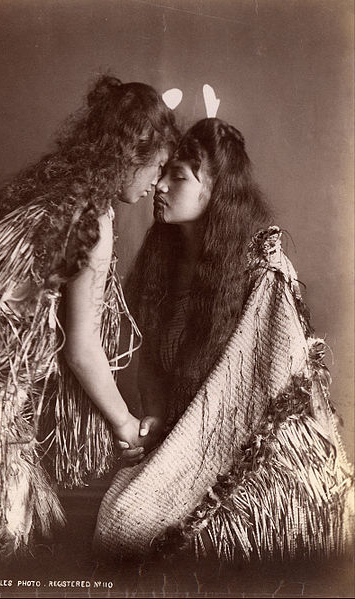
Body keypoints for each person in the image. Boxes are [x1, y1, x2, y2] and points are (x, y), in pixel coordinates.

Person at [0, 75, 178, 563]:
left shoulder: (55, 193)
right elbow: (81, 347)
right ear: (130, 155)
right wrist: (127, 425)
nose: (157, 181)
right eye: (156, 167)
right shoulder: (93, 221)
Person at [93, 117, 354, 563]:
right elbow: (154, 363)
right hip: (183, 438)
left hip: (254, 455)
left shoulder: (262, 270)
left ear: (216, 190)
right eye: (162, 174)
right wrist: (154, 419)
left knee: (130, 525)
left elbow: (265, 391)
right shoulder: (163, 261)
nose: (159, 187)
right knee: (117, 520)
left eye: (178, 177)